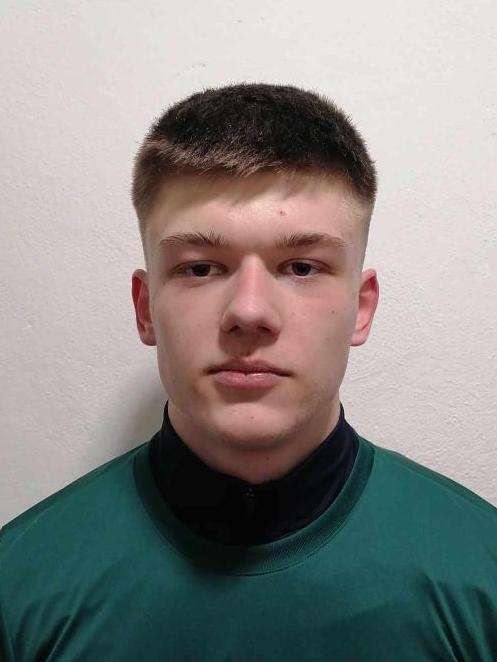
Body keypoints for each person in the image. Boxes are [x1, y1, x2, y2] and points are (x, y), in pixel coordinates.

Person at [1, 83, 496, 661]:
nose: (250, 311)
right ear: (145, 308)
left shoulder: (482, 575)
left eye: (302, 267)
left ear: (361, 309)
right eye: (201, 268)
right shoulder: (18, 589)